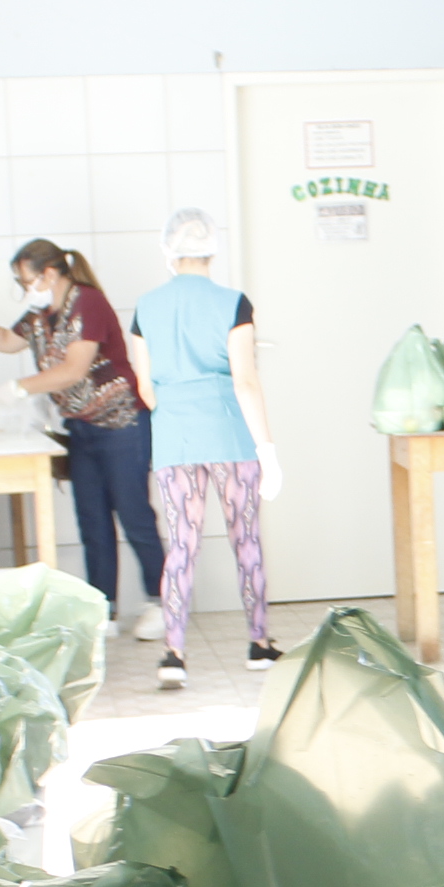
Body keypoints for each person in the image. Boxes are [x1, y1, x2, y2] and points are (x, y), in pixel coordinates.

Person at [0, 240, 160, 642]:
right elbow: (5, 339)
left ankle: (162, 603)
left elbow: (73, 370)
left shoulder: (88, 304)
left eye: (26, 280)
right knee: (93, 523)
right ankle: (104, 609)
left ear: (50, 274)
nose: (25, 288)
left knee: (135, 517)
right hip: (82, 431)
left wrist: (19, 388)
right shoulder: (41, 314)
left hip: (123, 425)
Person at [126, 209, 277, 689]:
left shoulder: (145, 308)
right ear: (212, 248)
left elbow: (145, 390)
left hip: (175, 439)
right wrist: (267, 448)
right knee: (245, 539)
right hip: (230, 435)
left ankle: (173, 654)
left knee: (182, 546)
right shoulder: (233, 303)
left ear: (168, 250)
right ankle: (259, 644)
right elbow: (246, 381)